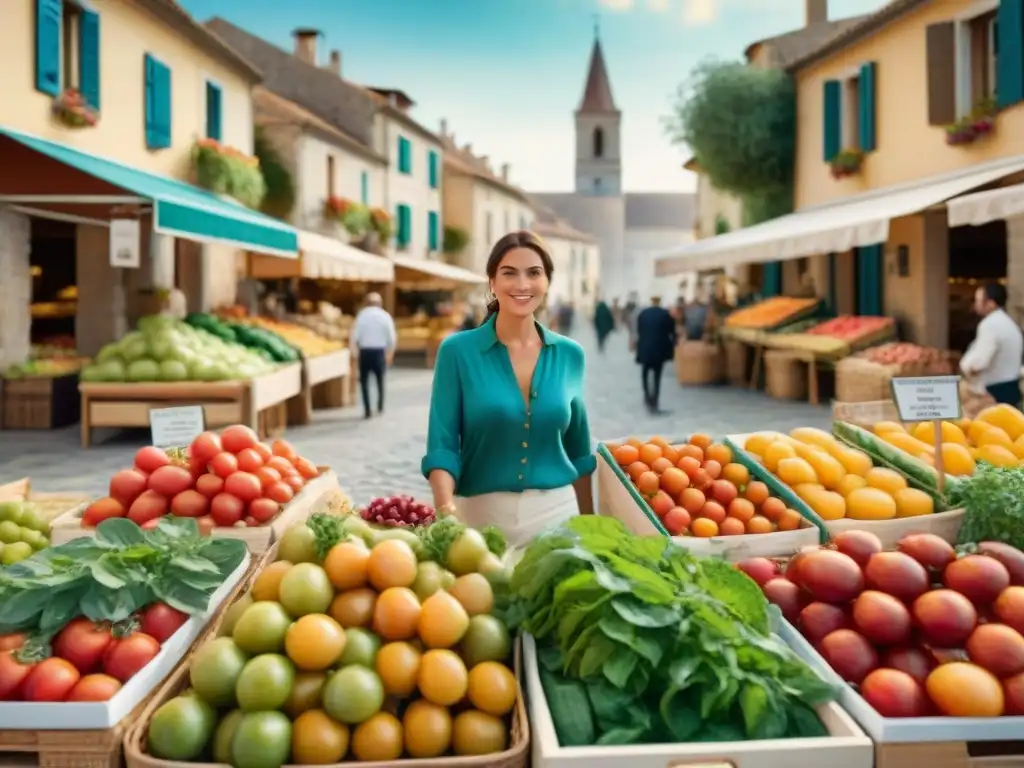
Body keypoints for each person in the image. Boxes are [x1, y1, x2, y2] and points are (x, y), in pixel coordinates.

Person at [421, 230, 596, 545]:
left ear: (546, 282)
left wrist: (594, 531)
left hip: (559, 519)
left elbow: (580, 453)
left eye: (534, 273)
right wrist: (446, 512)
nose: (522, 284)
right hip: (477, 522)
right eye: (509, 273)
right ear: (492, 282)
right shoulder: (457, 352)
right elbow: (442, 446)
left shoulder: (571, 355)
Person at [960, 283, 1023, 405]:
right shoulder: (1008, 322)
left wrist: (967, 368)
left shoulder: (990, 324)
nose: (975, 304)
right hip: (1010, 388)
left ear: (991, 303)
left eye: (978, 300)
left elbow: (979, 363)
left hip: (994, 392)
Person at [351, 292, 396, 419]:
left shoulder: (361, 316)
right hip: (379, 351)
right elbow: (391, 337)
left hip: (365, 352)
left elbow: (355, 336)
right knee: (380, 380)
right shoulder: (385, 316)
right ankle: (380, 406)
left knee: (364, 381)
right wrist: (390, 353)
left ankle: (367, 409)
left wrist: (354, 353)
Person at [634, 295, 677, 414]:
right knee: (657, 376)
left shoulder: (643, 314)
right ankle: (655, 400)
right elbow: (671, 332)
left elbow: (639, 330)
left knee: (645, 373)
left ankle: (647, 396)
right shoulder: (665, 314)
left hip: (645, 348)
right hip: (659, 348)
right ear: (659, 302)